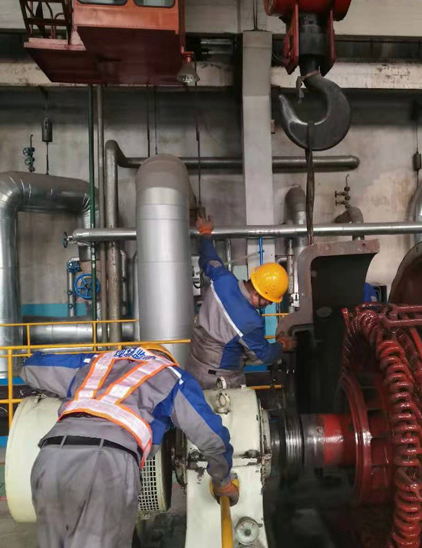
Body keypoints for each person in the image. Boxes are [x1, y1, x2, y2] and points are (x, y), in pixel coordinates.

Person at [20, 344, 239, 548]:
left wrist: (64, 392)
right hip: (107, 463)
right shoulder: (172, 376)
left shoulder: (95, 363)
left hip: (51, 455)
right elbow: (212, 437)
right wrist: (222, 480)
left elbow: (31, 368)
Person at [186, 215, 296, 389]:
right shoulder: (250, 321)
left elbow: (209, 259)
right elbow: (262, 356)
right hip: (219, 381)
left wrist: (205, 232)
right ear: (258, 294)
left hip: (193, 366)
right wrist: (282, 345)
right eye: (268, 301)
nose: (268, 304)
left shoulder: (223, 278)